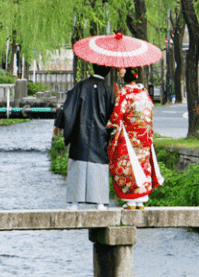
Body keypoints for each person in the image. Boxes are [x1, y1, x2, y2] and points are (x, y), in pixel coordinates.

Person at [53, 63, 116, 210]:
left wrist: (58, 124)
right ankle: (100, 202)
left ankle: (74, 202)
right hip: (99, 135)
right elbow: (112, 114)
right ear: (107, 72)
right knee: (99, 166)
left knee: (78, 164)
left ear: (93, 68)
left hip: (80, 133)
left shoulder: (81, 86)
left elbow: (68, 107)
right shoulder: (108, 90)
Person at [106, 67, 163, 210]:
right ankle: (141, 201)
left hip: (129, 137)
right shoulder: (144, 94)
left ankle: (131, 201)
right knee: (143, 166)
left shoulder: (124, 93)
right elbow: (150, 113)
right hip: (144, 137)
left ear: (123, 78)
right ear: (135, 77)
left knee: (128, 166)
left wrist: (110, 124)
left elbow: (116, 117)